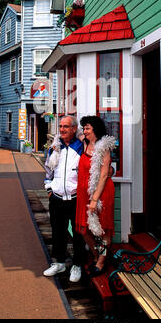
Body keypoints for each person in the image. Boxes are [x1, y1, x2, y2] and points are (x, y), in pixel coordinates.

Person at [43, 115, 86, 282]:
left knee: (78, 233)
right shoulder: (55, 147)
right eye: (60, 126)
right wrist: (49, 189)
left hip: (76, 198)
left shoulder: (81, 146)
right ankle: (59, 262)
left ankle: (77, 264)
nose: (62, 129)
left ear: (74, 129)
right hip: (57, 197)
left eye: (66, 127)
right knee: (57, 231)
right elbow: (48, 170)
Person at [76, 115, 115, 277]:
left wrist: (94, 199)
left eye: (87, 128)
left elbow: (105, 175)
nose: (84, 131)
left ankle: (101, 261)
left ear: (95, 130)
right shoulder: (84, 143)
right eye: (83, 128)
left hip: (102, 193)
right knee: (85, 230)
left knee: (103, 230)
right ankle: (96, 254)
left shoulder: (103, 148)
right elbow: (67, 135)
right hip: (84, 193)